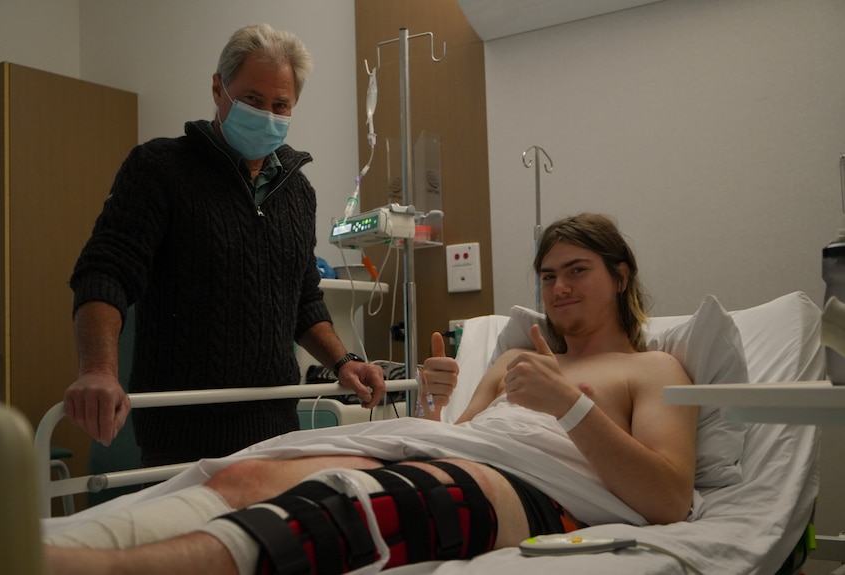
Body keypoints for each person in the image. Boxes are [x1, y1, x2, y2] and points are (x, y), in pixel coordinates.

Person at [45, 213, 697, 575]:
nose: (558, 288)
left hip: (547, 493)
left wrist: (569, 404)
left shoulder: (653, 368)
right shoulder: (518, 360)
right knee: (251, 475)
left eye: (576, 271)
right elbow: (453, 436)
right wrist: (439, 405)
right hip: (466, 455)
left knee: (350, 503)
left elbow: (668, 497)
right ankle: (52, 543)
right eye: (549, 275)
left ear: (620, 273)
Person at [64, 23, 386, 467]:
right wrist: (98, 370)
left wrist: (343, 361)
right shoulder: (161, 169)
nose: (267, 114)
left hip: (275, 434)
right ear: (219, 88)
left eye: (280, 105)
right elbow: (106, 271)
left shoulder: (297, 193)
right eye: (252, 100)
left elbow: (304, 299)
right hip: (181, 439)